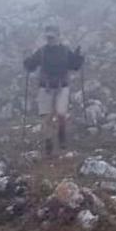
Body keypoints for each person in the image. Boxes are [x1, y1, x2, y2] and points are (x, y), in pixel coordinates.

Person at [23, 25, 83, 156]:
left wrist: (78, 58)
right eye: (48, 37)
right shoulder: (42, 51)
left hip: (62, 86)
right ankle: (49, 144)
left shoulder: (65, 51)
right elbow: (31, 65)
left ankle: (61, 136)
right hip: (45, 87)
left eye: (52, 37)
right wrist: (27, 62)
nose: (49, 39)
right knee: (46, 118)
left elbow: (75, 66)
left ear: (57, 36)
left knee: (61, 114)